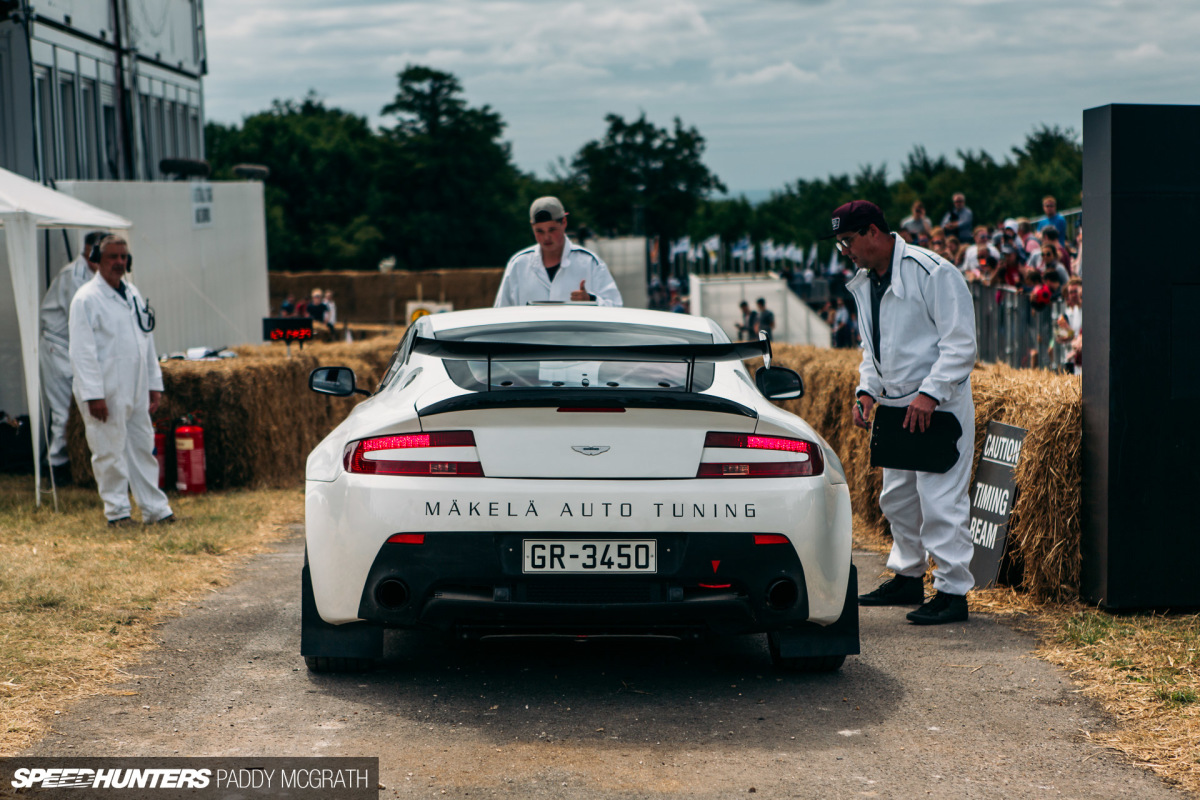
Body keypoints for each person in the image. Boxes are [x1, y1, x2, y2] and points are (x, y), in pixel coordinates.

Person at [826, 200, 977, 625]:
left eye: (848, 241)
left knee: (940, 499)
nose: (846, 250)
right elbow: (872, 349)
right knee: (897, 499)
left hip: (937, 407)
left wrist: (930, 394)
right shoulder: (866, 282)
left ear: (873, 232)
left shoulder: (933, 271)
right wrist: (866, 391)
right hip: (895, 407)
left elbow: (961, 344)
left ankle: (952, 591)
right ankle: (909, 574)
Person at [69, 235, 174, 526]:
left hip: (136, 384)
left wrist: (154, 383)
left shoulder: (134, 294)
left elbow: (146, 341)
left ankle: (155, 508)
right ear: (97, 260)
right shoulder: (86, 299)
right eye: (112, 257)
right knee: (108, 450)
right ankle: (117, 513)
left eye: (123, 257)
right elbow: (81, 352)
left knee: (143, 446)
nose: (119, 262)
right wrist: (93, 394)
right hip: (106, 388)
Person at [39, 230, 108, 484]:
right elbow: (83, 322)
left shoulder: (97, 276)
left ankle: (70, 463)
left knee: (75, 409)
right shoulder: (74, 276)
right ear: (87, 252)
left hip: (72, 349)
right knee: (63, 412)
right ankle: (54, 467)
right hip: (58, 348)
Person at [494, 197, 622, 307]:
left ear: (564, 222)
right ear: (532, 227)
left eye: (552, 229)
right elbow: (501, 313)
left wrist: (590, 300)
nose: (546, 237)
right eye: (539, 231)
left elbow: (615, 308)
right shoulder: (518, 264)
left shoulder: (590, 263)